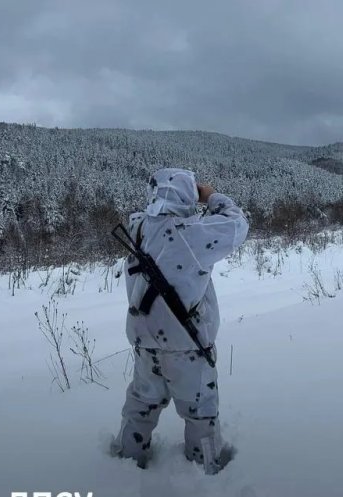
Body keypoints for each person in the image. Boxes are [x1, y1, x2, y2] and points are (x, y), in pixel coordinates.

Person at [112, 168, 249, 472]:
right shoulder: (191, 235)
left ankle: (124, 464)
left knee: (140, 407)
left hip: (144, 342)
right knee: (201, 412)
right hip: (186, 346)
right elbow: (238, 225)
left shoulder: (136, 229)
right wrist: (211, 195)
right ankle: (206, 469)